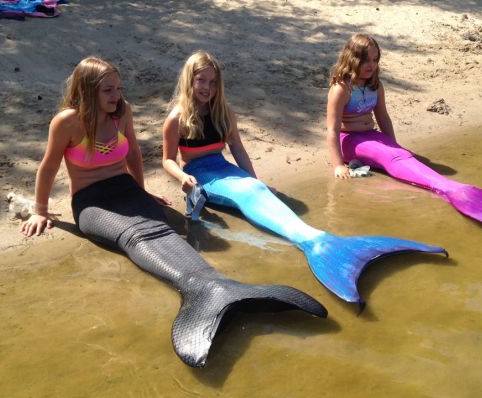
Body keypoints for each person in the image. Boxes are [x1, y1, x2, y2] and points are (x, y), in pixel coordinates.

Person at [19, 56, 327, 367]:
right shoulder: (67, 122)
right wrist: (40, 210)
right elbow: (48, 167)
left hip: (125, 189)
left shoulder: (121, 111)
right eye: (108, 91)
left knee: (163, 227)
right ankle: (204, 291)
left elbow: (135, 155)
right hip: (91, 201)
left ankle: (215, 286)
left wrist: (142, 192)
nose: (116, 96)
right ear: (87, 91)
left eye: (118, 88)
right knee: (137, 235)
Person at [162, 51, 446, 308]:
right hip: (200, 175)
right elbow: (167, 160)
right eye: (201, 81)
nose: (207, 88)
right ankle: (316, 244)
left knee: (254, 189)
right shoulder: (177, 117)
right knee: (246, 193)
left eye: (212, 83)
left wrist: (256, 180)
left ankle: (317, 242)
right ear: (190, 80)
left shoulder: (222, 110)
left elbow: (237, 148)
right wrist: (183, 178)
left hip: (224, 168)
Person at [326, 34, 482, 232]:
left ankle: (452, 188)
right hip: (348, 140)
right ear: (353, 60)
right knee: (388, 156)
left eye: (375, 60)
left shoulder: (375, 85)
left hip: (372, 136)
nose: (372, 65)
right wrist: (338, 164)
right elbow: (332, 128)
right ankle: (455, 191)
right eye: (366, 60)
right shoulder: (341, 88)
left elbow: (383, 117)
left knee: (397, 154)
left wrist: (396, 146)